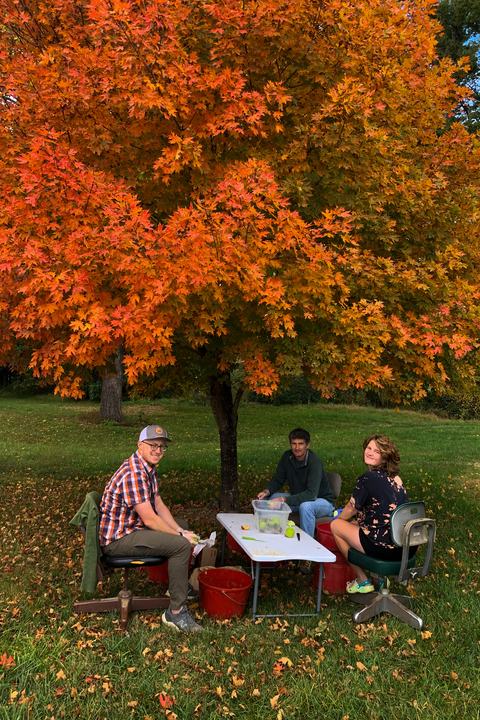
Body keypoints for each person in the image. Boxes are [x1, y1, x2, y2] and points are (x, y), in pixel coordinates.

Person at [99, 425, 202, 633]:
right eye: (153, 445)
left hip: (131, 528)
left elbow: (158, 504)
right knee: (181, 545)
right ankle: (175, 612)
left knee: (182, 526)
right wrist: (181, 536)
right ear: (140, 445)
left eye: (162, 447)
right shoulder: (134, 473)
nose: (158, 450)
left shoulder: (147, 468)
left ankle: (176, 585)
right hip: (118, 540)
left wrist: (180, 529)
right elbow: (150, 519)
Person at [330, 434, 409, 594]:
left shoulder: (368, 478)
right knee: (353, 526)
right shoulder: (396, 478)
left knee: (337, 526)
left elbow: (351, 509)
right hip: (404, 545)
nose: (370, 452)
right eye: (369, 448)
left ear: (385, 457)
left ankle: (362, 580)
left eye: (377, 451)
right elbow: (383, 513)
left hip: (384, 547)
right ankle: (378, 577)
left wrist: (340, 519)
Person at [256, 428, 334, 537]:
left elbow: (311, 494)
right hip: (300, 497)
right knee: (274, 497)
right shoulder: (287, 457)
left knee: (306, 507)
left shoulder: (314, 462)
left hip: (322, 502)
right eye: (294, 444)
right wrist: (267, 491)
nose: (297, 447)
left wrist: (284, 499)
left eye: (301, 444)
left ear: (307, 445)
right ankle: (272, 535)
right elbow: (278, 479)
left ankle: (307, 545)